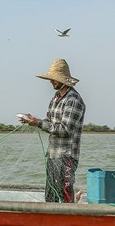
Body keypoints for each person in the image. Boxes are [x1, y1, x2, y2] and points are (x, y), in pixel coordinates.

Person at [18, 58, 86, 203]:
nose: (51, 82)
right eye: (51, 79)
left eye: (54, 79)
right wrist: (34, 121)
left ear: (64, 80)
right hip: (52, 155)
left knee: (65, 196)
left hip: (66, 157)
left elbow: (65, 130)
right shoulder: (55, 98)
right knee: (51, 195)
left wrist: (39, 123)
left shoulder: (73, 100)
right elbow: (49, 123)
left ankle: (68, 222)